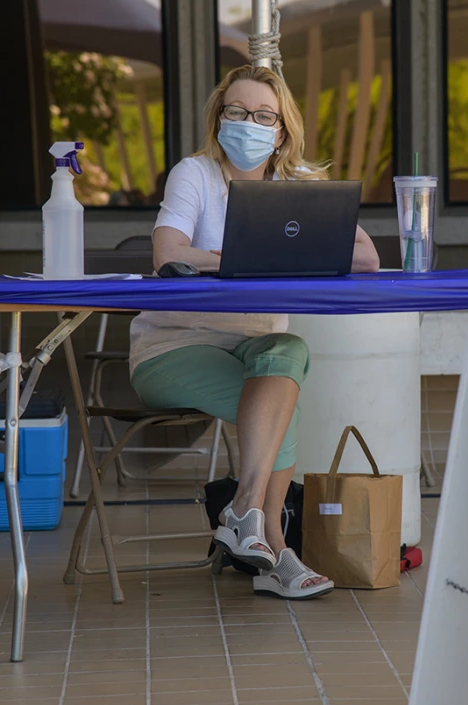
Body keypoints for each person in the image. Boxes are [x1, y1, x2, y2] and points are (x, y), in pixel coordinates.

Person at [128, 65, 380, 600]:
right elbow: (166, 254)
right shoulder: (193, 174)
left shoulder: (296, 190)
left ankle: (244, 516)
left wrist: (293, 249)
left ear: (282, 130)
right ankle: (275, 548)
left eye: (263, 116)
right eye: (237, 112)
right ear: (219, 118)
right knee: (277, 399)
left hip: (256, 348)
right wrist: (237, 258)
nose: (249, 123)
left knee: (285, 355)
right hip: (173, 347)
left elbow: (367, 257)